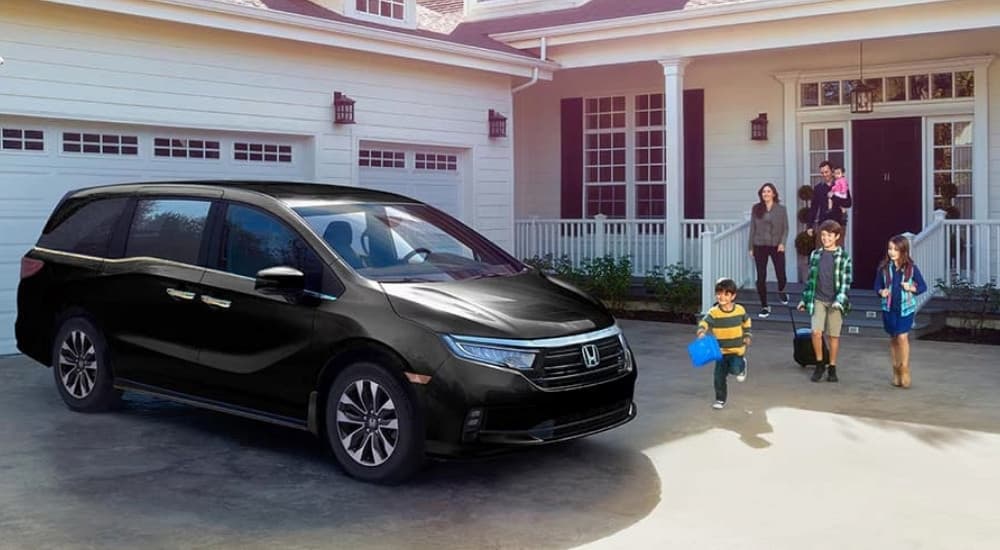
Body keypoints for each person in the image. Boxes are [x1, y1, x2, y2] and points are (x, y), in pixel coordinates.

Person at [798, 220, 852, 383]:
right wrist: (804, 300)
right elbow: (810, 281)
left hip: (836, 301)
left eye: (829, 235)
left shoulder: (843, 257)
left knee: (833, 336)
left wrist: (839, 301)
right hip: (818, 299)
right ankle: (820, 363)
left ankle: (832, 367)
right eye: (823, 235)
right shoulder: (816, 254)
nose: (825, 238)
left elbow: (845, 282)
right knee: (816, 332)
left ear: (836, 236)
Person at [874, 235, 927, 388]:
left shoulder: (911, 268)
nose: (892, 252)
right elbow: (876, 286)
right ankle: (895, 369)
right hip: (889, 308)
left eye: (896, 249)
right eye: (890, 249)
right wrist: (881, 291)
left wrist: (911, 288)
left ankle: (904, 369)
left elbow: (922, 286)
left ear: (903, 251)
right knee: (893, 338)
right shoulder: (883, 268)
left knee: (902, 337)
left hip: (906, 309)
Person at [697, 278, 752, 409]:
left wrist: (747, 335)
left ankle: (742, 366)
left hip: (737, 350)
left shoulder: (740, 310)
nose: (721, 296)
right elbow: (705, 322)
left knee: (735, 369)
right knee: (718, 377)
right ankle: (720, 399)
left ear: (733, 296)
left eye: (726, 294)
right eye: (719, 293)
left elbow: (747, 322)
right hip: (720, 352)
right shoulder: (714, 312)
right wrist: (701, 331)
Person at [748, 182, 789, 319]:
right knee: (761, 277)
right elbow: (752, 228)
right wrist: (751, 247)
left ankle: (781, 290)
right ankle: (765, 305)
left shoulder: (781, 209)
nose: (766, 194)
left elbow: (785, 228)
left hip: (776, 245)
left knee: (781, 273)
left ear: (774, 194)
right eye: (763, 192)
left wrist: (782, 243)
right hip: (760, 245)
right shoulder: (756, 208)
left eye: (768, 191)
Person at [807, 160, 852, 240]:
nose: (824, 175)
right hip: (823, 224)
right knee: (822, 250)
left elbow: (848, 203)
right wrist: (810, 226)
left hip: (838, 224)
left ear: (832, 171)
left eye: (826, 172)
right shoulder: (818, 188)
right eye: (822, 173)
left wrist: (834, 197)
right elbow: (814, 208)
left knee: (837, 251)